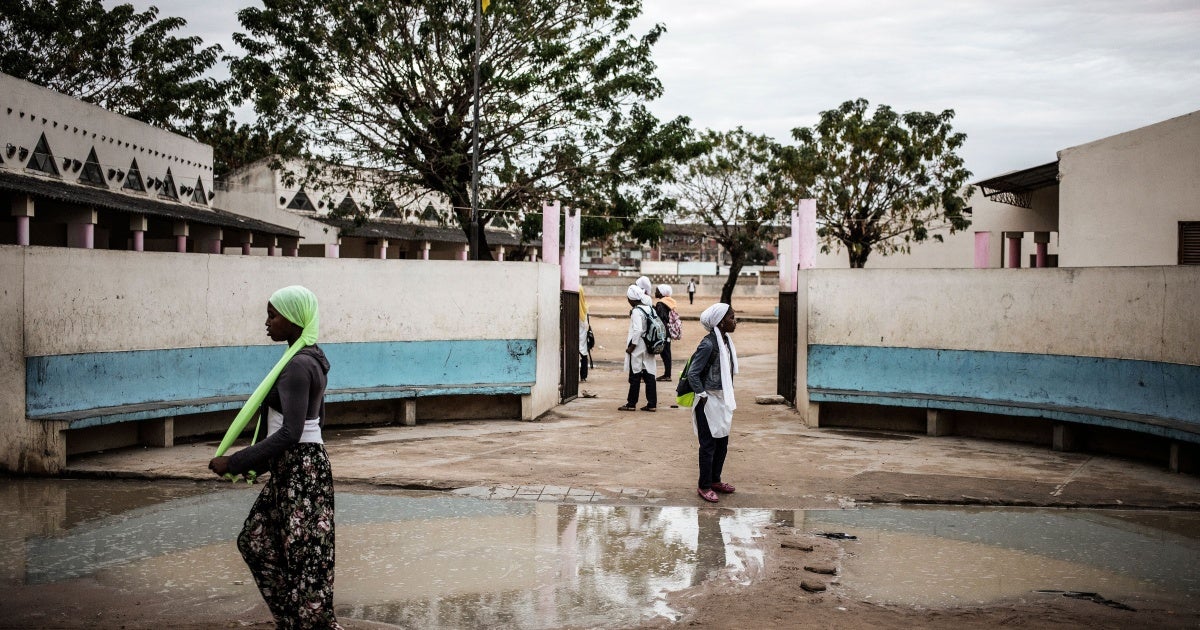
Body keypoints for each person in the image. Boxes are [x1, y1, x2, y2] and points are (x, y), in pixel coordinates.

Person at [208, 286, 343, 630]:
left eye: (273, 315)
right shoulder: (307, 357)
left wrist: (236, 462)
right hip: (298, 465)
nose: (267, 322)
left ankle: (310, 621)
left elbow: (291, 432)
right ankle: (297, 619)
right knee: (257, 541)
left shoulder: (298, 365)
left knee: (304, 557)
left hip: (301, 468)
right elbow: (316, 421)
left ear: (295, 319)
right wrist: (270, 463)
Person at [685, 302, 739, 503]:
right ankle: (704, 485)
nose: (735, 321)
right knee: (708, 445)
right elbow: (693, 373)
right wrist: (703, 394)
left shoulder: (725, 341)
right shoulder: (708, 344)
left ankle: (715, 480)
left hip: (722, 398)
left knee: (722, 443)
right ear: (720, 322)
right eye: (731, 318)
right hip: (707, 400)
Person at [619, 284, 657, 412]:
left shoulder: (636, 311)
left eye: (628, 299)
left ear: (632, 299)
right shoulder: (650, 309)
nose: (628, 301)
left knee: (636, 373)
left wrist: (632, 346)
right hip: (650, 344)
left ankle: (631, 403)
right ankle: (652, 404)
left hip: (639, 345)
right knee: (649, 373)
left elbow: (638, 329)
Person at [654, 284, 678, 382]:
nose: (655, 292)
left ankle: (667, 375)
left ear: (662, 293)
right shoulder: (669, 302)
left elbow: (661, 318)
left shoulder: (660, 304)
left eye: (657, 291)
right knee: (667, 353)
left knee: (665, 354)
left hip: (663, 332)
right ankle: (667, 374)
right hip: (668, 330)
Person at [579, 286, 591, 382]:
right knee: (583, 352)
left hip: (579, 333)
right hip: (582, 334)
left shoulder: (572, 308)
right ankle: (583, 376)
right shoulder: (585, 307)